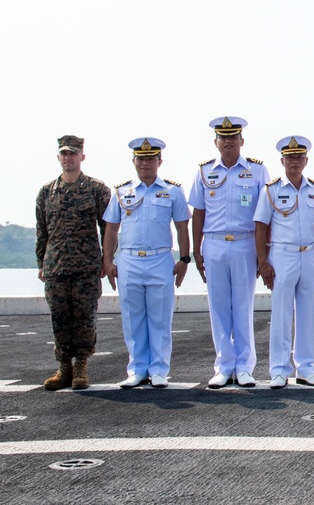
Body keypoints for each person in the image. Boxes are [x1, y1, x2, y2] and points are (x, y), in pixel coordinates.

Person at [189, 116, 270, 389]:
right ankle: (224, 365)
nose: (228, 142)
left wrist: (263, 254)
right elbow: (198, 213)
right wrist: (195, 251)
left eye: (233, 137)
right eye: (223, 138)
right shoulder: (203, 172)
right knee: (219, 306)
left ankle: (245, 366)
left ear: (241, 141)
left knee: (243, 306)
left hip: (245, 242)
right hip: (213, 243)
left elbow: (264, 216)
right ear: (215, 142)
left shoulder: (258, 171)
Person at [103, 138, 191, 389]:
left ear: (159, 162)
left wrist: (184, 258)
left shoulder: (173, 191)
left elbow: (182, 226)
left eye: (151, 159)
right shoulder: (121, 191)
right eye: (140, 159)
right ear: (134, 162)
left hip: (160, 259)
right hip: (129, 259)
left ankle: (160, 370)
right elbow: (111, 228)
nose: (145, 163)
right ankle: (137, 368)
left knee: (160, 317)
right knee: (133, 318)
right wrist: (107, 260)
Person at [254, 136, 314, 389]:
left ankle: (306, 367)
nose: (295, 161)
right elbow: (260, 227)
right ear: (282, 160)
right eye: (290, 157)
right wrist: (263, 262)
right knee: (281, 315)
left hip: (309, 254)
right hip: (282, 255)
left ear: (306, 160)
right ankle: (278, 370)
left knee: (307, 313)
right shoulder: (272, 189)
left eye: (299, 157)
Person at [35, 135, 111, 391]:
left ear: (82, 157)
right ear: (58, 157)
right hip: (55, 266)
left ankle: (81, 366)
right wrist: (41, 263)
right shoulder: (46, 192)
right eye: (64, 154)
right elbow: (42, 231)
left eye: (73, 153)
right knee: (59, 318)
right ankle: (63, 367)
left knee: (84, 318)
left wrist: (106, 259)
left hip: (86, 266)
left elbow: (108, 229)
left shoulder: (96, 189)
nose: (68, 158)